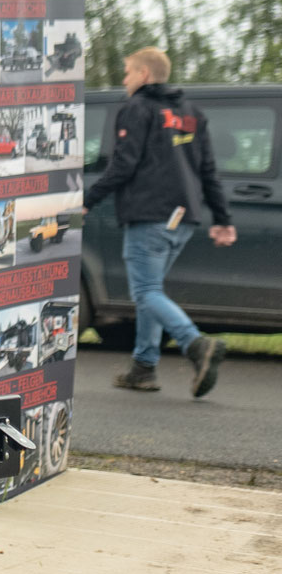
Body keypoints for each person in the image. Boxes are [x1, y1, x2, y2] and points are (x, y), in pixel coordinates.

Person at [81, 47, 234, 396]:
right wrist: (222, 218)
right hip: (183, 219)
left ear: (144, 75)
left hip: (149, 216)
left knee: (146, 291)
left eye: (128, 72)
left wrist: (87, 201)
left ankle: (196, 344)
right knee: (151, 291)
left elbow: (124, 164)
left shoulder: (136, 109)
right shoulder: (192, 113)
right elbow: (207, 170)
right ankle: (143, 367)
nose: (125, 80)